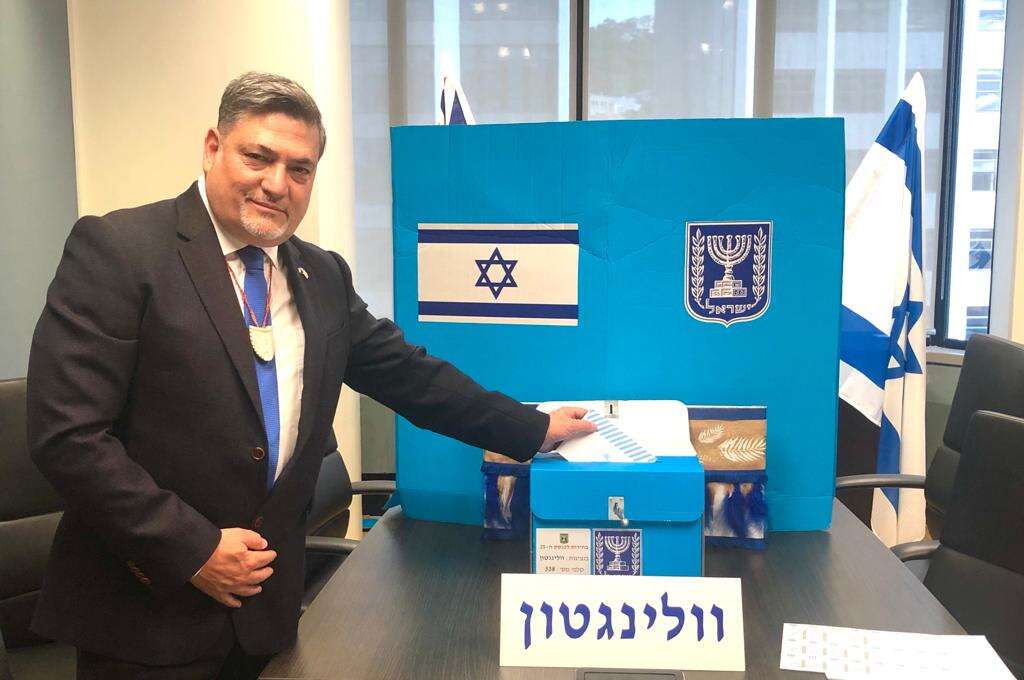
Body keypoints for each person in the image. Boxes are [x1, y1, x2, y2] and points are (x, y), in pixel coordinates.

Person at [26, 72, 595, 679]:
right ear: (213, 148)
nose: (277, 184)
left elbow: (408, 375)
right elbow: (68, 437)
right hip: (145, 617)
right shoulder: (121, 250)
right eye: (258, 157)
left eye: (299, 169)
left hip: (266, 616)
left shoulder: (320, 275)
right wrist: (193, 549)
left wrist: (531, 428)